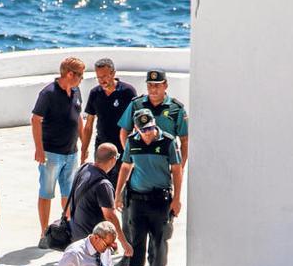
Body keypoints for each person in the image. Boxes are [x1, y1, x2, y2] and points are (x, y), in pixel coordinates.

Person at [114, 109, 182, 266]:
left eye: (151, 128)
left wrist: (177, 199)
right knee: (137, 241)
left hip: (160, 200)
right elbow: (126, 167)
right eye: (144, 130)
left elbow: (176, 170)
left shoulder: (167, 141)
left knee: (159, 241)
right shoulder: (132, 141)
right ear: (136, 128)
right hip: (137, 199)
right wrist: (118, 193)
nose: (148, 133)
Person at [32, 57, 86, 248]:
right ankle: (44, 232)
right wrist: (39, 149)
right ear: (70, 74)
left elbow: (78, 118)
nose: (82, 79)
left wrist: (84, 143)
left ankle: (67, 230)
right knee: (46, 192)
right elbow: (35, 120)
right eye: (80, 75)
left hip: (71, 153)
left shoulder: (77, 91)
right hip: (51, 154)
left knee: (69, 193)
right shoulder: (48, 93)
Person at [81, 58, 137, 188]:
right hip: (102, 146)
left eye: (105, 76)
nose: (102, 80)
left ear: (113, 73)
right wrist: (84, 150)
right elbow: (89, 125)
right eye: (98, 77)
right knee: (101, 185)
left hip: (123, 146)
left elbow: (136, 121)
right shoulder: (95, 93)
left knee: (123, 185)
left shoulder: (128, 91)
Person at [69, 143, 132, 258]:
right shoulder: (103, 185)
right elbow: (110, 216)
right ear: (113, 159)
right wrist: (124, 242)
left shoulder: (83, 168)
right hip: (94, 242)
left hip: (75, 234)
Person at [118, 69, 189, 169]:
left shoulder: (176, 108)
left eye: (157, 85)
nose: (153, 89)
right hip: (140, 165)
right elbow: (124, 131)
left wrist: (179, 167)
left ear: (165, 85)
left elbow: (184, 140)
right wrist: (131, 156)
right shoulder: (137, 104)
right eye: (149, 85)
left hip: (165, 164)